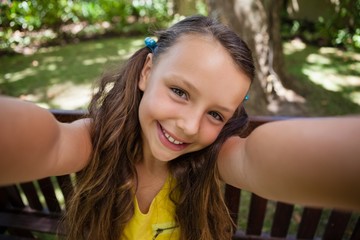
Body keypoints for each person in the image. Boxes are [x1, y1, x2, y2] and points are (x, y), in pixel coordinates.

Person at [0, 15, 359, 240]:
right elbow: (48, 141)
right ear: (146, 72)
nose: (189, 126)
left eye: (216, 115)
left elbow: (257, 158)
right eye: (179, 91)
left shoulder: (216, 158)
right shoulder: (92, 141)